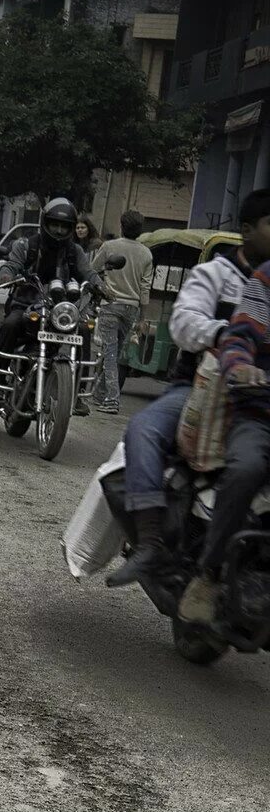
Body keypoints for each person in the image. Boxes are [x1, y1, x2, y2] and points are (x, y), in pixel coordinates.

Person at [106, 191, 268, 587]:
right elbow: (183, 324)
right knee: (143, 429)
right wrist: (229, 335)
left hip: (261, 401)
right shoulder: (216, 274)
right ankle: (150, 542)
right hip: (202, 388)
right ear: (246, 231)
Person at [180, 189, 270, 620]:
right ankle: (209, 573)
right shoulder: (265, 280)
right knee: (247, 468)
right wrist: (240, 366)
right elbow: (239, 336)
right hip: (259, 413)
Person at [0, 198, 99, 406]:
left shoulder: (75, 252)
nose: (60, 231)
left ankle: (78, 392)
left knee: (83, 329)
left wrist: (101, 286)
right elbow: (11, 265)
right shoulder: (28, 245)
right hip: (25, 304)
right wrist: (7, 277)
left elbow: (88, 272)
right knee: (10, 324)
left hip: (59, 309)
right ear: (45, 222)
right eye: (55, 224)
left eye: (65, 227)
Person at [89, 211, 155, 414]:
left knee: (109, 353)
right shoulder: (146, 253)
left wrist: (101, 286)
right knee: (114, 353)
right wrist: (143, 318)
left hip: (111, 304)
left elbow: (92, 270)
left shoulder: (109, 246)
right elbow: (145, 288)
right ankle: (98, 395)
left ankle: (112, 399)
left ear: (121, 226)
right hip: (132, 308)